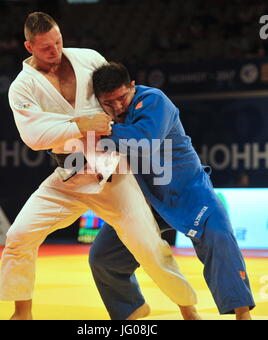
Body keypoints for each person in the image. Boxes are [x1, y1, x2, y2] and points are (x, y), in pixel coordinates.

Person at [0, 12, 199, 320]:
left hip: (113, 175)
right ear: (29, 47)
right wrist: (80, 124)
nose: (55, 51)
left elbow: (115, 102)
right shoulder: (22, 87)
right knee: (18, 236)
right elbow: (35, 136)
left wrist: (81, 124)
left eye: (58, 41)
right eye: (46, 48)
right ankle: (21, 312)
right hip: (70, 177)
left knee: (149, 248)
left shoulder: (88, 59)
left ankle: (188, 309)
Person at [90, 62, 256, 320]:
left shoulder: (154, 100)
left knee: (219, 237)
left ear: (133, 87)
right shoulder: (99, 115)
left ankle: (242, 315)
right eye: (108, 103)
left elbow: (146, 141)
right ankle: (130, 311)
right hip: (146, 200)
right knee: (103, 257)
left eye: (122, 98)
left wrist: (105, 131)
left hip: (189, 191)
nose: (117, 107)